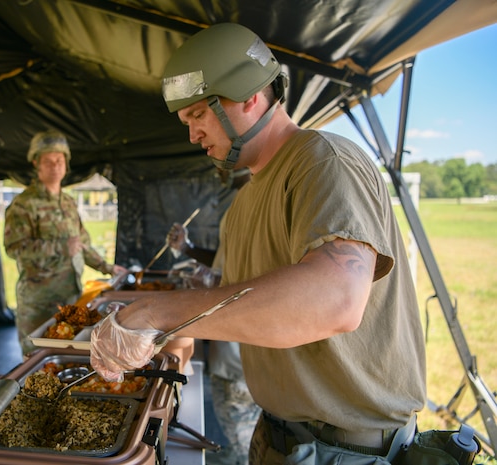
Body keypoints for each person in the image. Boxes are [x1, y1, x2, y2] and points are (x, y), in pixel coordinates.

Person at [90, 23, 426, 465]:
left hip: (349, 448)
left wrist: (158, 313)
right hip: (281, 435)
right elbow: (237, 300)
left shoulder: (323, 161)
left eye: (197, 116)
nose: (191, 135)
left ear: (248, 95)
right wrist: (170, 340)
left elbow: (336, 300)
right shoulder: (244, 202)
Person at [4, 130, 126, 356]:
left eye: (59, 160)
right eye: (48, 161)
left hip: (70, 298)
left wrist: (107, 268)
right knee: (34, 363)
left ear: (66, 164)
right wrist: (60, 248)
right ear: (36, 163)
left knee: (66, 358)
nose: (55, 166)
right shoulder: (23, 204)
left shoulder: (69, 203)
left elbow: (81, 244)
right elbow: (14, 248)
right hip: (38, 304)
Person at [169, 168, 261, 465]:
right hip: (231, 348)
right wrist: (189, 249)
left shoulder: (260, 203)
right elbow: (226, 259)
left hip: (243, 356)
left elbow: (258, 278)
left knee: (242, 445)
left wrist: (213, 284)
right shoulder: (243, 199)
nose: (215, 162)